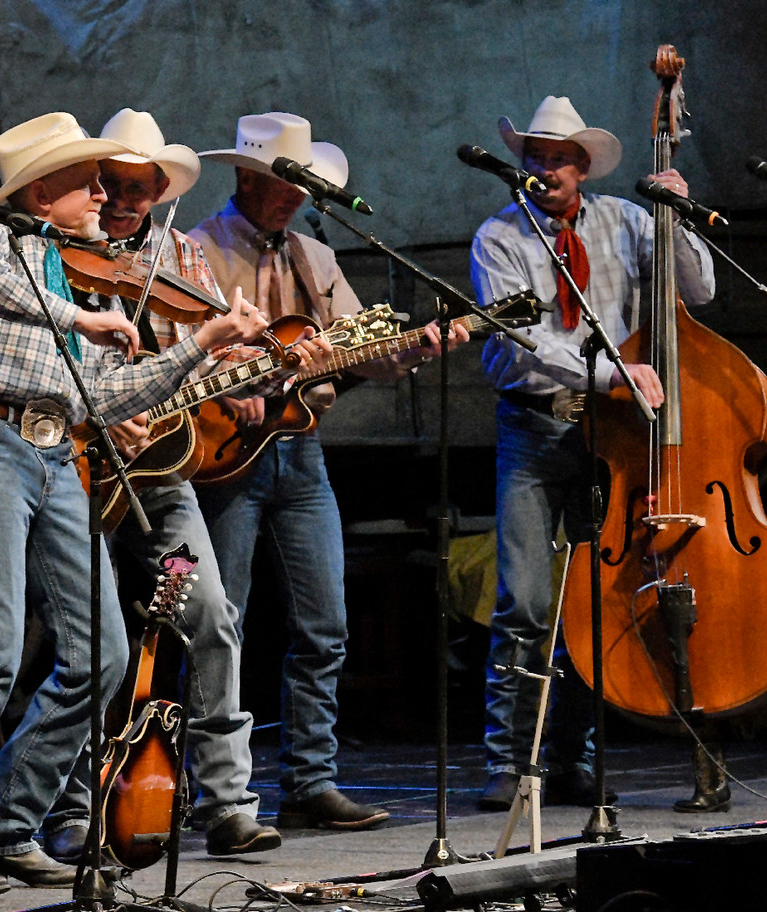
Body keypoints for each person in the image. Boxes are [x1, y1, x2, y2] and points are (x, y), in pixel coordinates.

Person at [0, 112, 271, 898]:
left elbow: (105, 390)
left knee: (102, 653)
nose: (103, 193)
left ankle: (7, 827)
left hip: (57, 450)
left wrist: (205, 342)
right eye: (89, 180)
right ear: (41, 187)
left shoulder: (60, 269)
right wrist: (79, 317)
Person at [188, 112, 468, 830]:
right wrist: (234, 386)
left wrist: (415, 348)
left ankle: (311, 781)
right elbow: (177, 351)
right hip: (223, 458)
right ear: (247, 177)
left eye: (303, 186)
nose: (296, 197)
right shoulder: (195, 250)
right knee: (223, 626)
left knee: (326, 625)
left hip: (300, 453)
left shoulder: (316, 257)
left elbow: (356, 350)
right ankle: (215, 793)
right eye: (285, 183)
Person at [42, 108, 303, 860]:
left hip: (159, 473)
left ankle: (226, 804)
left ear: (162, 191)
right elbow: (37, 356)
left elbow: (210, 354)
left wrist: (257, 370)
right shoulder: (56, 250)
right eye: (112, 185)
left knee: (214, 618)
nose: (124, 202)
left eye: (141, 190)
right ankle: (69, 808)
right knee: (84, 644)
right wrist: (98, 409)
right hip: (74, 467)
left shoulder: (181, 255)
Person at [468, 95, 715, 811]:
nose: (545, 170)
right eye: (535, 158)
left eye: (558, 159)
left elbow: (700, 289)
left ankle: (570, 758)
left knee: (593, 605)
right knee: (526, 602)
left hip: (613, 435)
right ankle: (509, 763)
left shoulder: (626, 220)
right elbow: (519, 346)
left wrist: (678, 216)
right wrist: (610, 372)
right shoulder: (500, 236)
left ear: (582, 167)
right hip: (535, 426)